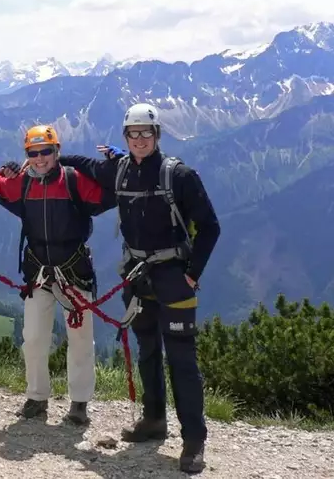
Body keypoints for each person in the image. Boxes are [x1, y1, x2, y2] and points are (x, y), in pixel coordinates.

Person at [56, 103, 220, 473]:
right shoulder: (120, 170)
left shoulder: (180, 175)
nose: (141, 139)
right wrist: (55, 155)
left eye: (147, 133)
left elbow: (210, 226)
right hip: (136, 274)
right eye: (134, 133)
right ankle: (153, 420)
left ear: (157, 134)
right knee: (147, 348)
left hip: (174, 276)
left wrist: (192, 274)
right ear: (125, 137)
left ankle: (193, 440)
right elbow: (87, 165)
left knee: (181, 359)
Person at [0, 124, 114, 424]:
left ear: (57, 152)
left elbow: (110, 193)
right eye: (33, 153)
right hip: (39, 272)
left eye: (46, 152)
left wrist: (117, 164)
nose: (40, 159)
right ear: (27, 154)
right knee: (34, 337)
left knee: (80, 338)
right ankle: (37, 397)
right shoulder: (23, 183)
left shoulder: (73, 180)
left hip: (73, 272)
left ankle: (79, 402)